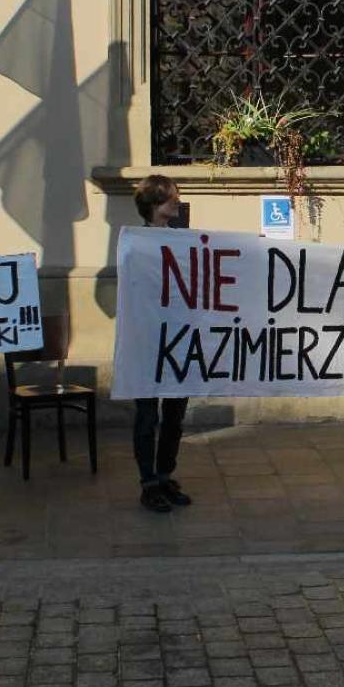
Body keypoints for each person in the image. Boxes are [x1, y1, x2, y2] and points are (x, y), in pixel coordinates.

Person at [130, 175, 194, 513]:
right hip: (146, 341)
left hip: (177, 339)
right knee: (146, 415)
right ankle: (148, 482)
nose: (178, 201)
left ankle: (165, 473)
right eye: (172, 196)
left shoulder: (182, 241)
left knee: (174, 413)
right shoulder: (135, 242)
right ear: (156, 203)